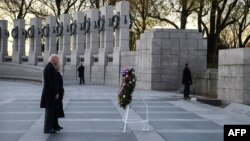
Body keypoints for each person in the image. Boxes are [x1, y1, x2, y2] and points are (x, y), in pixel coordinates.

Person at [40, 54, 60, 133]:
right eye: (57, 59)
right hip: (50, 94)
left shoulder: (49, 67)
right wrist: (56, 93)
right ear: (53, 59)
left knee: (50, 111)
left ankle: (49, 127)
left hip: (48, 93)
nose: (57, 61)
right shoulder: (50, 68)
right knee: (49, 112)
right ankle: (47, 129)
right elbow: (52, 83)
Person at [54, 64, 65, 131]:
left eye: (58, 66)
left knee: (58, 110)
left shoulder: (58, 74)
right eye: (56, 66)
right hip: (57, 95)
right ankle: (55, 125)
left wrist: (63, 91)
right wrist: (57, 93)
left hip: (60, 94)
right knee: (56, 110)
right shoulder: (55, 74)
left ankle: (57, 124)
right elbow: (56, 85)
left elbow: (61, 84)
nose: (58, 67)